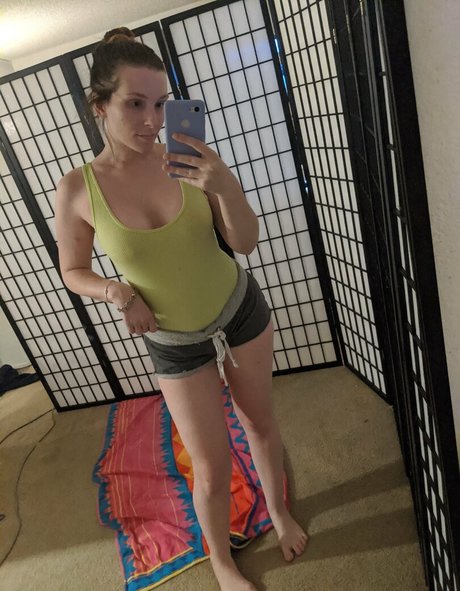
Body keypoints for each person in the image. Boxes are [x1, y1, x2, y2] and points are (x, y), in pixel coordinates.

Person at [54, 26, 308, 591]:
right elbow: (72, 270)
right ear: (99, 107)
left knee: (260, 423)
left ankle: (280, 511)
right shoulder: (78, 189)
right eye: (134, 104)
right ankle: (223, 564)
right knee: (211, 465)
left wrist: (226, 186)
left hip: (239, 310)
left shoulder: (187, 158)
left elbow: (244, 243)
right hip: (174, 341)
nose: (152, 120)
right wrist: (118, 292)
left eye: (161, 103)